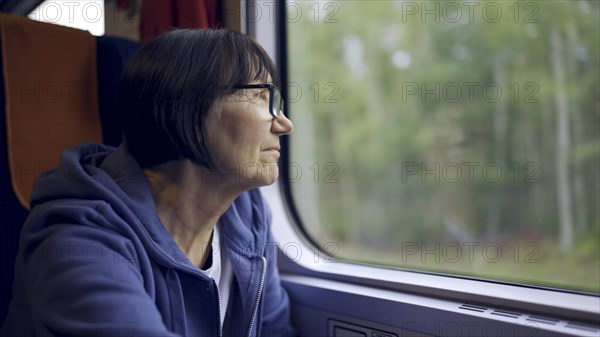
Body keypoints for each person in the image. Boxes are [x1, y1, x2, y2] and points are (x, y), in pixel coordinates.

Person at [1, 29, 296, 337]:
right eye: (263, 97)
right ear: (192, 109)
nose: (285, 124)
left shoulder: (247, 215)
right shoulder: (78, 242)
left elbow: (276, 331)